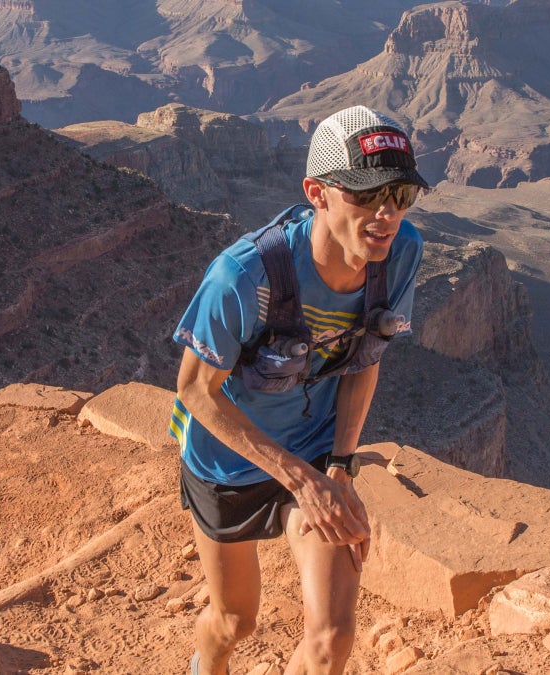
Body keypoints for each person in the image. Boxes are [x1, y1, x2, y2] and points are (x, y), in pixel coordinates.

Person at [171, 105, 427, 675]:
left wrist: (338, 465)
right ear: (317, 191)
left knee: (332, 638)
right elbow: (193, 390)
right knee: (236, 621)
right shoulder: (242, 276)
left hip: (315, 451)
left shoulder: (401, 253)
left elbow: (367, 356)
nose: (387, 214)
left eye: (401, 195)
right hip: (228, 463)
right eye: (367, 195)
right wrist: (300, 479)